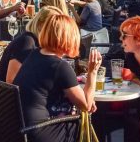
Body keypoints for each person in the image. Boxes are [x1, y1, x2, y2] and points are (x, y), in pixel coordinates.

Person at [12, 13, 102, 142]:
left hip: (19, 127)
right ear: (70, 38)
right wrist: (93, 72)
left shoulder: (34, 54)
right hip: (39, 131)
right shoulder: (60, 67)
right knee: (91, 124)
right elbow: (86, 107)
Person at [0, 6, 62, 83]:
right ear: (40, 24)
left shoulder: (40, 42)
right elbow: (11, 81)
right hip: (5, 93)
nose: (58, 31)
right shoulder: (27, 42)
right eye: (54, 26)